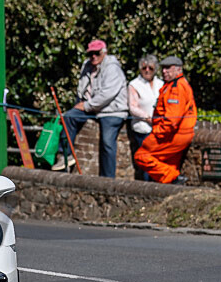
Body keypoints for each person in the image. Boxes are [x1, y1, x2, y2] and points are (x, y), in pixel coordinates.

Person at [54, 40, 128, 177]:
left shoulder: (112, 68)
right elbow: (82, 89)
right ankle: (65, 155)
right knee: (69, 117)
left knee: (107, 142)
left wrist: (86, 105)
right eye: (90, 54)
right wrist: (81, 104)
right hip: (92, 108)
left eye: (97, 53)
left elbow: (107, 94)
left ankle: (108, 178)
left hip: (111, 110)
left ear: (104, 53)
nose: (93, 56)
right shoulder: (87, 66)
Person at [133, 56, 196, 185]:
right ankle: (171, 187)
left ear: (178, 69)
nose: (164, 71)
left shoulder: (176, 87)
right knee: (168, 163)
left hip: (173, 135)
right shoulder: (175, 84)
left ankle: (174, 178)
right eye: (163, 68)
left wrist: (157, 133)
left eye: (168, 68)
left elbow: (172, 120)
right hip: (178, 134)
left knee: (141, 156)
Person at [127, 55, 163, 180]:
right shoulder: (134, 85)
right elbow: (132, 107)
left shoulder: (161, 84)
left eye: (150, 68)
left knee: (158, 159)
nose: (147, 70)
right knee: (147, 159)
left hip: (159, 128)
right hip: (143, 128)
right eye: (144, 68)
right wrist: (147, 117)